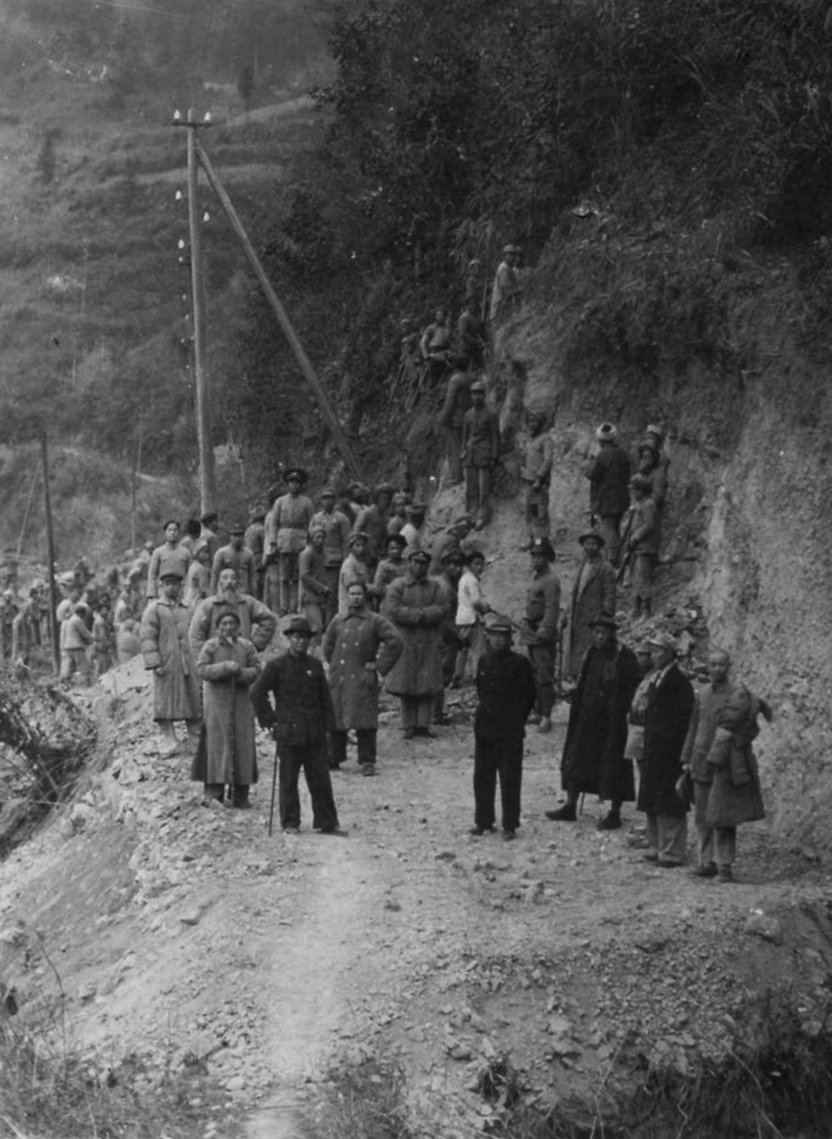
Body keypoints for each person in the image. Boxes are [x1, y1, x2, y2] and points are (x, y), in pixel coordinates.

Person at [681, 650, 769, 883]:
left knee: (723, 816)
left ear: (729, 666)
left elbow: (751, 730)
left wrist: (734, 738)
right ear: (707, 667)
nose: (716, 669)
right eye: (712, 665)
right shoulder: (702, 694)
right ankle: (706, 862)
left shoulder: (740, 694)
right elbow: (693, 726)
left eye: (721, 665)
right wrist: (686, 758)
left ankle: (724, 866)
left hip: (726, 764)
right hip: (701, 761)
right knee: (702, 815)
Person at [250, 616, 344, 835]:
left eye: (304, 638)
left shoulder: (315, 665)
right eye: (296, 637)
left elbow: (325, 699)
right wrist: (271, 721)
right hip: (289, 732)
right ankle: (291, 822)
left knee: (320, 778)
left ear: (310, 641)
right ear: (289, 639)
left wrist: (330, 728)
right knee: (288, 780)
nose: (301, 642)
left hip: (314, 732)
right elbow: (257, 693)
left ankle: (327, 821)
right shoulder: (277, 666)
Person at [545, 617, 641, 828]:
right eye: (596, 632)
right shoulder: (591, 653)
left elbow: (634, 686)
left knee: (613, 764)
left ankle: (614, 813)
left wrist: (619, 706)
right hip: (587, 717)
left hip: (611, 722)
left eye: (603, 633)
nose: (599, 637)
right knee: (576, 759)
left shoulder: (624, 656)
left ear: (611, 634)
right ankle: (570, 806)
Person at [323, 581, 403, 775]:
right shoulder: (338, 620)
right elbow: (328, 645)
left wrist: (379, 666)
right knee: (337, 717)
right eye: (352, 594)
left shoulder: (375, 620)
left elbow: (395, 642)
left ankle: (367, 761)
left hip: (362, 676)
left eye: (359, 594)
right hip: (340, 677)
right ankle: (334, 757)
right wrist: (335, 665)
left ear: (365, 597)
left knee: (365, 720)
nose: (355, 597)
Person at [471, 616, 537, 840]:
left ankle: (510, 824)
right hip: (486, 728)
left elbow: (529, 696)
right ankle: (483, 821)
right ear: (489, 638)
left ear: (510, 639)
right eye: (494, 636)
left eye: (502, 636)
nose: (498, 640)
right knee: (483, 777)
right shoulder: (484, 661)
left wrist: (517, 719)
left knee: (510, 778)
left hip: (509, 730)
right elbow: (481, 691)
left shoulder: (520, 663)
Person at [637, 632, 695, 867]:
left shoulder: (678, 681)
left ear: (670, 654)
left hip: (670, 750)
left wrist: (674, 745)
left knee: (670, 800)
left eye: (659, 651)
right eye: (652, 651)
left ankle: (672, 851)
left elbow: (684, 718)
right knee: (652, 797)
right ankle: (656, 844)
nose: (654, 655)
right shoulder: (657, 678)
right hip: (655, 747)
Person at [193, 609, 260, 807]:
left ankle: (240, 795)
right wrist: (223, 668)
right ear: (217, 627)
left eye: (232, 623)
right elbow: (201, 668)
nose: (228, 627)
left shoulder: (247, 646)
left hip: (241, 705)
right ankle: (214, 794)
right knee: (216, 746)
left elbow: (256, 669)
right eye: (224, 624)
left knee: (242, 746)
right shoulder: (210, 646)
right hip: (217, 705)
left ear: (238, 626)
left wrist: (240, 673)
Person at [384, 548, 449, 739]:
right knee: (406, 684)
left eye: (423, 564)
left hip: (429, 640)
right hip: (406, 640)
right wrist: (417, 615)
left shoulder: (435, 587)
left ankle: (424, 725)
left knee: (426, 683)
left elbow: (443, 608)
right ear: (409, 564)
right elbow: (393, 609)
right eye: (416, 562)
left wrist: (424, 614)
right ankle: (408, 725)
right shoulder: (398, 585)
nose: (419, 567)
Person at [140, 571, 202, 750]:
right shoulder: (154, 609)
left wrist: (199, 657)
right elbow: (148, 637)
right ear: (161, 587)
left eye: (175, 584)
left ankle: (196, 740)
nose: (172, 587)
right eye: (168, 584)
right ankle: (168, 740)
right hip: (166, 662)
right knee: (165, 701)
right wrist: (154, 662)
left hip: (188, 661)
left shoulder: (188, 608)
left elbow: (197, 633)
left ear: (180, 586)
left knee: (193, 698)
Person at [561, 531, 617, 681]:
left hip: (594, 617)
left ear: (599, 546)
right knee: (575, 647)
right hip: (578, 614)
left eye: (594, 544)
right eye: (587, 544)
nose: (590, 547)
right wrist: (566, 613)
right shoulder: (583, 566)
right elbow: (575, 593)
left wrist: (605, 619)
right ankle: (574, 677)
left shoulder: (605, 567)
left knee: (591, 649)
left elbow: (610, 596)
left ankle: (586, 677)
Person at [519, 538, 560, 733]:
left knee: (545, 675)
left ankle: (547, 716)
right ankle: (538, 710)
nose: (536, 559)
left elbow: (552, 609)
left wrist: (544, 631)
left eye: (540, 556)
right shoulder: (538, 578)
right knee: (535, 673)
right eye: (534, 556)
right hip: (532, 632)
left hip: (542, 634)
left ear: (548, 558)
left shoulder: (551, 580)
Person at [189, 568, 277, 658]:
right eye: (225, 578)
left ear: (237, 583)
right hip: (216, 659)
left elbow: (269, 619)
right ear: (219, 582)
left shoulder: (247, 602)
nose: (229, 581)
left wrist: (256, 644)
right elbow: (196, 633)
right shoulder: (208, 605)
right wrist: (204, 658)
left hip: (243, 657)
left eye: (233, 578)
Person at [264, 468, 314, 614]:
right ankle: (283, 606)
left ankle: (296, 606)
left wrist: (310, 542)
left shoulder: (306, 502)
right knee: (284, 577)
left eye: (297, 482)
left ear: (301, 485)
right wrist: (273, 542)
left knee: (297, 577)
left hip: (300, 542)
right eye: (291, 482)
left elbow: (311, 523)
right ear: (287, 485)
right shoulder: (280, 502)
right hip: (284, 541)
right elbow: (274, 522)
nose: (294, 485)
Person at [586, 423, 631, 564]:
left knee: (608, 528)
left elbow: (594, 475)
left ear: (600, 440)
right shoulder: (622, 454)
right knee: (616, 527)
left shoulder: (602, 456)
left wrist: (587, 468)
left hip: (606, 499)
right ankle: (619, 555)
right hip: (622, 497)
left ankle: (612, 557)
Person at [461, 380, 500, 529]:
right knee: (471, 488)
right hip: (470, 455)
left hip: (484, 454)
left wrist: (494, 456)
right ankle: (470, 514)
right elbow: (465, 436)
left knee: (484, 488)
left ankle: (482, 515)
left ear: (484, 395)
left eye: (479, 393)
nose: (476, 397)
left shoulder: (491, 414)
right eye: (474, 393)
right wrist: (462, 452)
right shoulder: (468, 415)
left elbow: (496, 436)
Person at [310, 488, 351, 624]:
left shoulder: (341, 519)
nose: (327, 501)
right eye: (324, 498)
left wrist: (345, 560)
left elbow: (346, 541)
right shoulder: (316, 518)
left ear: (334, 500)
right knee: (318, 592)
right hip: (318, 561)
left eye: (330, 498)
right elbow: (310, 538)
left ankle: (331, 623)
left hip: (334, 561)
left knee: (332, 594)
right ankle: (318, 623)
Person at [433, 548, 464, 724]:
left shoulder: (443, 583)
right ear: (445, 565)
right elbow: (445, 617)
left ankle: (435, 712)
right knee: (441, 675)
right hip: (444, 637)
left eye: (459, 565)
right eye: (452, 564)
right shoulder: (445, 587)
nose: (457, 568)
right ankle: (435, 714)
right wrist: (457, 636)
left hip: (440, 635)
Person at [621, 475, 659, 618]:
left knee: (643, 578)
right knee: (636, 578)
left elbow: (649, 525)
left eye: (634, 490)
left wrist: (636, 536)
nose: (632, 493)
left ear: (641, 490)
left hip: (645, 547)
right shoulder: (639, 504)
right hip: (637, 547)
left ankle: (646, 610)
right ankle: (636, 609)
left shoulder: (648, 504)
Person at [623, 642, 656, 800]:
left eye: (643, 656)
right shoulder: (644, 678)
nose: (639, 660)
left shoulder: (654, 679)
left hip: (645, 729)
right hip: (637, 729)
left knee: (648, 770)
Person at [454, 547, 489, 685]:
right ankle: (478, 676)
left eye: (481, 564)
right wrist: (484, 608)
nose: (479, 567)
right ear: (469, 565)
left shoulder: (463, 578)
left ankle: (457, 676)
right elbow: (475, 601)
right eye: (476, 564)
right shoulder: (472, 580)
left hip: (461, 619)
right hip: (472, 618)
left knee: (462, 649)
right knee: (478, 649)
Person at [438, 360, 475, 484]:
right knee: (469, 445)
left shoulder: (455, 380)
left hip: (457, 419)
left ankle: (457, 476)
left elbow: (450, 402)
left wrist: (444, 419)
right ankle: (470, 472)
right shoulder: (473, 378)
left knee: (455, 448)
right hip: (471, 416)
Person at [522, 412, 554, 542]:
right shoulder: (532, 440)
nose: (532, 424)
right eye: (530, 421)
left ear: (541, 423)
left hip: (539, 483)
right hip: (529, 481)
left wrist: (540, 478)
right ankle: (530, 538)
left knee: (539, 513)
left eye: (535, 421)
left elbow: (548, 460)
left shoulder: (545, 439)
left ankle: (541, 541)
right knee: (529, 511)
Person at [298, 526, 330, 644]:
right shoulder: (306, 554)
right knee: (316, 627)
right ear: (311, 539)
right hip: (310, 596)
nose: (320, 540)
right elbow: (304, 576)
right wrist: (321, 588)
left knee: (319, 627)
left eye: (322, 537)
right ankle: (313, 651)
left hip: (321, 597)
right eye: (317, 537)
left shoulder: (321, 554)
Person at [146, 520, 192, 601]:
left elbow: (190, 574)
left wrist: (189, 594)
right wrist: (152, 596)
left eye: (175, 530)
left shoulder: (186, 552)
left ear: (179, 533)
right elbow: (152, 574)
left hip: (181, 593)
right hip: (162, 592)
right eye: (170, 530)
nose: (172, 532)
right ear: (165, 533)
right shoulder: (158, 552)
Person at [354, 483, 395, 570]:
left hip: (376, 556)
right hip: (364, 554)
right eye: (383, 499)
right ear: (377, 499)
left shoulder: (383, 517)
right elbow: (356, 532)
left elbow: (384, 538)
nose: (385, 502)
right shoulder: (367, 513)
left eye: (387, 499)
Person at [211, 523, 256, 596]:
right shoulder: (222, 553)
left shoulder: (248, 554)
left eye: (240, 536)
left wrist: (254, 594)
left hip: (243, 592)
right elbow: (214, 575)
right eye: (234, 536)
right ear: (230, 537)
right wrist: (213, 594)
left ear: (243, 537)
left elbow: (252, 577)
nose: (237, 539)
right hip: (225, 592)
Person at [338, 531, 375, 614]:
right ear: (351, 547)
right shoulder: (349, 564)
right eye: (357, 545)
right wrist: (376, 589)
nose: (361, 548)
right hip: (350, 610)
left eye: (363, 545)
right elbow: (355, 587)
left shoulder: (362, 563)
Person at [61, 601, 92, 686]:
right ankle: (87, 684)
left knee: (69, 667)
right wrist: (92, 638)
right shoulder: (77, 620)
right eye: (83, 613)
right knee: (84, 665)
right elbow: (84, 632)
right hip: (76, 646)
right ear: (80, 613)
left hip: (68, 646)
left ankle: (66, 682)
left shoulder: (71, 619)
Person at [373, 533, 408, 608]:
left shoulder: (407, 564)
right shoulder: (383, 565)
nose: (395, 551)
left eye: (397, 548)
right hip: (388, 601)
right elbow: (378, 587)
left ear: (402, 549)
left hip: (405, 601)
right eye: (392, 549)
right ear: (387, 550)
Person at [419, 307, 453, 385]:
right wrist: (426, 355)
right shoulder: (431, 328)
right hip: (433, 353)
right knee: (432, 377)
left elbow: (449, 342)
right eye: (438, 315)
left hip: (444, 354)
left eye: (441, 315)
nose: (439, 317)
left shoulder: (447, 329)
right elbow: (423, 342)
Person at [489, 244, 522, 321]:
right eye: (510, 255)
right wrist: (519, 290)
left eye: (513, 255)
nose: (512, 257)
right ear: (505, 256)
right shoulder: (504, 268)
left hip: (504, 306)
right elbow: (506, 288)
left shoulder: (509, 268)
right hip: (500, 306)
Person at [244, 503, 267, 601]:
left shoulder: (248, 530)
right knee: (260, 584)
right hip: (258, 557)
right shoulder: (261, 529)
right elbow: (265, 546)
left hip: (249, 557)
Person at [457, 300, 487, 369]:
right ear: (467, 306)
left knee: (481, 367)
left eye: (475, 304)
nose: (473, 306)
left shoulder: (478, 318)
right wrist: (475, 341)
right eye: (471, 304)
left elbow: (482, 331)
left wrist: (485, 340)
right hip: (466, 348)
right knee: (466, 367)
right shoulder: (464, 317)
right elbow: (463, 334)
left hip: (476, 348)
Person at [90, 597, 115, 678]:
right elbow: (102, 635)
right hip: (101, 645)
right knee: (102, 664)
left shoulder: (101, 620)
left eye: (107, 610)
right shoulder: (100, 621)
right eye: (103, 610)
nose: (106, 612)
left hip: (99, 644)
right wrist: (108, 645)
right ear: (100, 611)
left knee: (102, 664)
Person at [184, 540, 212, 609]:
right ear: (197, 553)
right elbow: (204, 589)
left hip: (188, 598)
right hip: (195, 600)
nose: (207, 555)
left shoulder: (192, 566)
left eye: (207, 552)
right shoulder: (200, 568)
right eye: (204, 552)